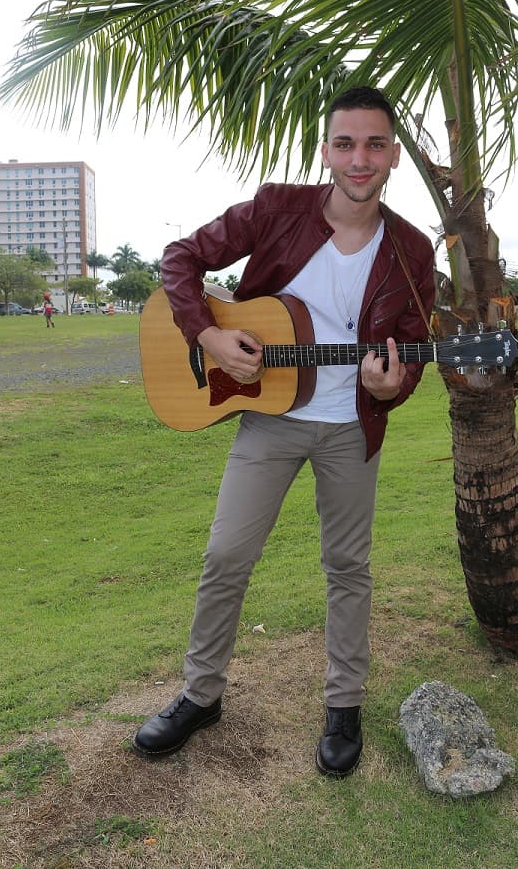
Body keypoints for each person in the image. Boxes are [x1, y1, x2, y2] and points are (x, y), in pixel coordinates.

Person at [132, 86, 435, 777]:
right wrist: (207, 333)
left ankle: (344, 705)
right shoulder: (275, 209)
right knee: (225, 557)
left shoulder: (411, 250)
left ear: (392, 156)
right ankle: (200, 695)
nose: (360, 159)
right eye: (346, 143)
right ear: (326, 150)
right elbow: (181, 257)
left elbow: (412, 344)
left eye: (375, 144)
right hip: (268, 417)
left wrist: (395, 383)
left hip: (349, 429)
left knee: (348, 568)